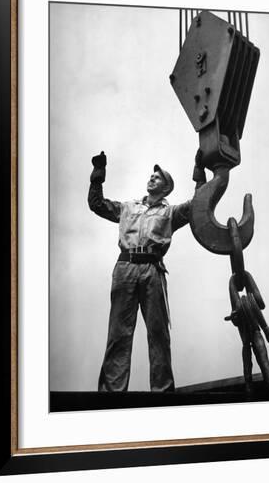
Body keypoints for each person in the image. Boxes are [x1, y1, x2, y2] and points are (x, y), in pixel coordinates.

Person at [88, 150, 206, 392]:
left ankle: (162, 391)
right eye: (151, 176)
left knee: (158, 332)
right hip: (125, 268)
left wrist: (199, 173)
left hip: (152, 270)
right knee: (119, 332)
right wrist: (97, 175)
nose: (152, 179)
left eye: (158, 177)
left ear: (166, 188)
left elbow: (199, 205)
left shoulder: (171, 212)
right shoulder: (128, 207)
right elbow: (97, 205)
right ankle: (112, 394)